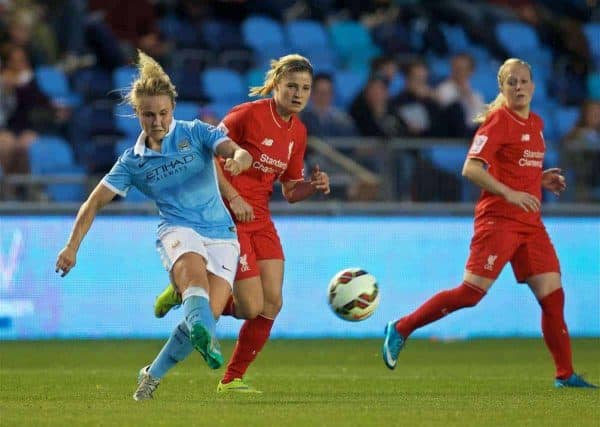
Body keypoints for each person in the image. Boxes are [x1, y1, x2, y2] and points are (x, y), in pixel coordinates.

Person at [382, 58, 597, 389]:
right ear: (503, 88)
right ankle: (401, 328)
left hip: (530, 223)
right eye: (512, 82)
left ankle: (564, 375)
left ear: (534, 86)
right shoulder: (498, 121)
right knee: (470, 294)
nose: (519, 87)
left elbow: (514, 167)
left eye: (524, 81)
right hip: (499, 220)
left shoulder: (536, 123)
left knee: (553, 296)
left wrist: (540, 179)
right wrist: (510, 193)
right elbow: (471, 168)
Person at [54, 50, 253, 400]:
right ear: (136, 114)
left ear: (172, 109)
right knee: (196, 286)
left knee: (207, 316)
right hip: (177, 229)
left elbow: (237, 151)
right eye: (149, 115)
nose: (157, 121)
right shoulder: (132, 162)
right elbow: (93, 203)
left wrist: (237, 160)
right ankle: (192, 307)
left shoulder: (196, 132)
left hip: (221, 234)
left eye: (163, 113)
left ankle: (152, 373)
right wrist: (72, 246)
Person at [153, 53, 331, 393]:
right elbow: (207, 154)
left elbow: (290, 189)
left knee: (272, 302)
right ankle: (189, 291)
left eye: (305, 89)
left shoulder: (299, 132)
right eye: (291, 86)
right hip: (229, 216)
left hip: (261, 218)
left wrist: (312, 185)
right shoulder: (247, 115)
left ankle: (232, 379)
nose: (298, 94)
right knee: (250, 306)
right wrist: (234, 197)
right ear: (276, 85)